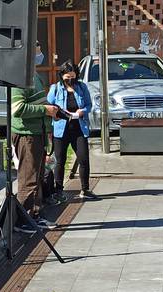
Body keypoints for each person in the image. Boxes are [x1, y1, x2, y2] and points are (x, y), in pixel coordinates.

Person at [10, 41, 59, 235]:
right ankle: (23, 219)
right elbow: (17, 108)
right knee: (28, 178)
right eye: (37, 51)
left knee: (38, 176)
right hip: (26, 135)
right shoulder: (20, 78)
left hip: (37, 134)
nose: (41, 55)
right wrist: (45, 110)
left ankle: (35, 214)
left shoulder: (34, 75)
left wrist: (48, 123)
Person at [46, 59, 99, 202]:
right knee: (60, 161)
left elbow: (89, 104)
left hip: (79, 128)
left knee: (83, 159)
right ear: (62, 75)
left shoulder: (82, 87)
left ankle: (85, 189)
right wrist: (57, 114)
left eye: (73, 77)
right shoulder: (55, 88)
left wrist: (82, 112)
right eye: (67, 77)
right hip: (61, 129)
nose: (70, 80)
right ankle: (58, 191)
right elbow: (48, 105)